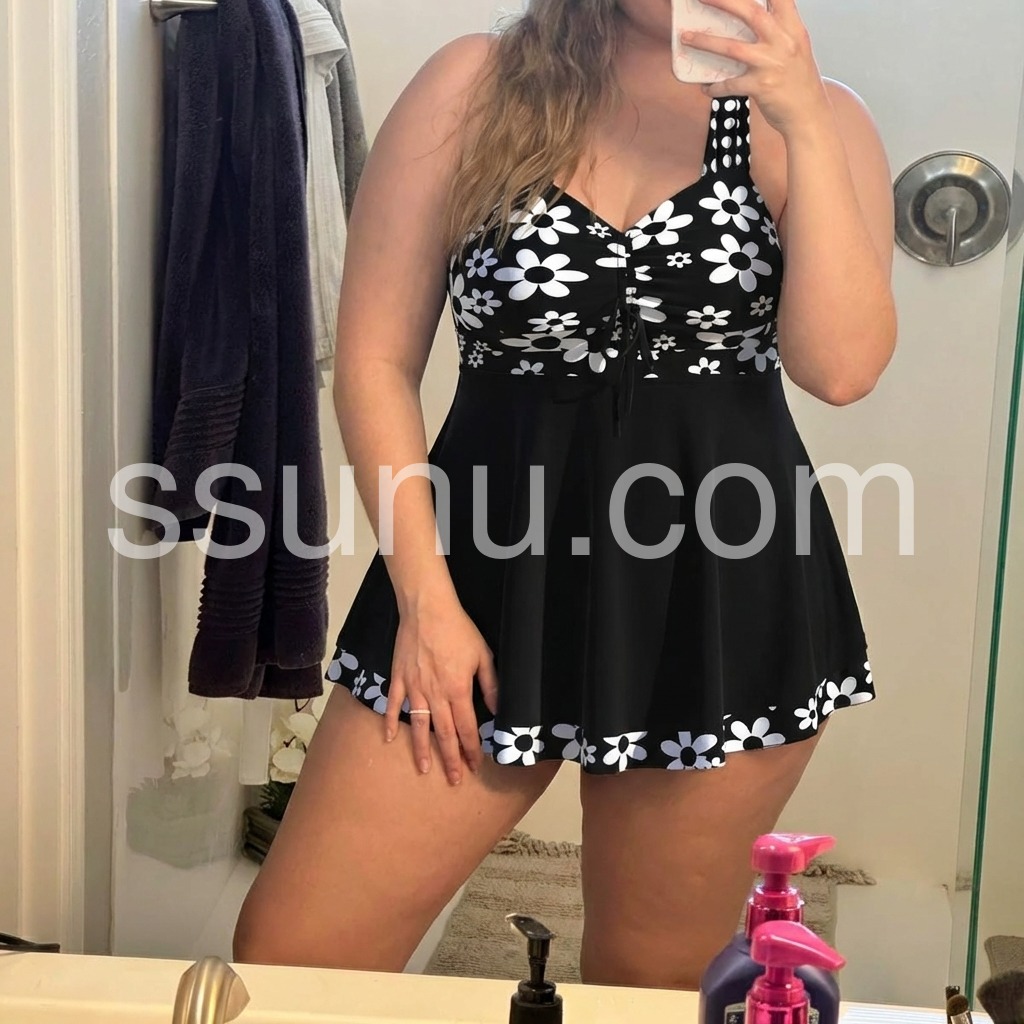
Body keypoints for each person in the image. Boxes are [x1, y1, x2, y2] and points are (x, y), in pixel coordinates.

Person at [233, 0, 896, 989]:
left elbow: (841, 369)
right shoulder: (476, 84)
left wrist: (799, 115)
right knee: (295, 958)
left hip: (715, 599)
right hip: (476, 580)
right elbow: (374, 362)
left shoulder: (821, 118)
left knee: (647, 985)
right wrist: (424, 603)